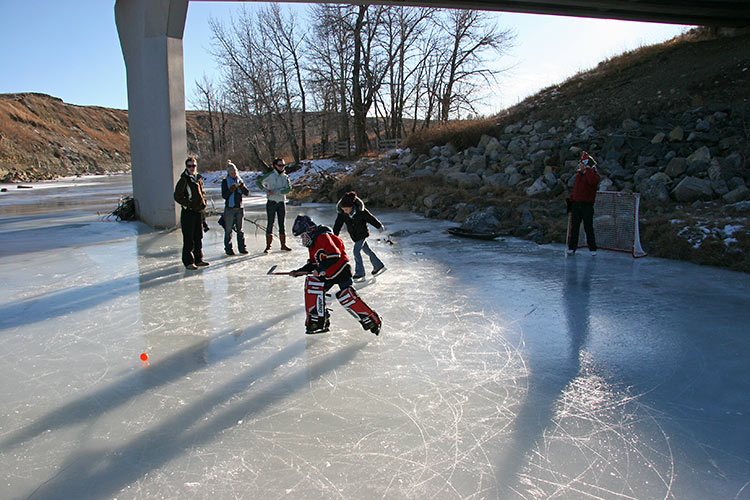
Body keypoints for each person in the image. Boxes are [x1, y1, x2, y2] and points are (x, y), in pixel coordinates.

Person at [290, 214, 381, 336]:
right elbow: (313, 263)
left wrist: (320, 268)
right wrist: (298, 272)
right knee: (315, 290)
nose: (302, 239)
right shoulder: (312, 244)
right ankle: (320, 322)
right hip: (328, 273)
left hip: (341, 270)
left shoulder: (323, 237)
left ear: (309, 230)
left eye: (303, 235)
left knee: (347, 296)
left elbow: (334, 255)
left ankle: (372, 320)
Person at [333, 191, 386, 279]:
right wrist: (334, 235)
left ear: (352, 206)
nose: (345, 211)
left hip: (362, 234)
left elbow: (370, 218)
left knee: (356, 252)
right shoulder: (343, 214)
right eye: (343, 210)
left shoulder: (361, 211)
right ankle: (378, 265)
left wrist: (379, 226)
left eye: (346, 209)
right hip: (354, 236)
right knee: (367, 251)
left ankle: (360, 273)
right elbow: (338, 224)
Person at [173, 156, 210, 269]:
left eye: (193, 166)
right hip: (188, 213)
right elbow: (177, 196)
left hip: (198, 212)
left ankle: (198, 259)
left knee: (198, 236)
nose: (192, 168)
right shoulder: (184, 180)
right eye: (189, 166)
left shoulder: (197, 179)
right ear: (186, 167)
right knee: (189, 238)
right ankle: (188, 261)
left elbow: (202, 194)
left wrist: (203, 204)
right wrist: (189, 204)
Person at [567, 151, 601, 256]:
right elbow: (575, 190)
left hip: (587, 205)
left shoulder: (593, 175)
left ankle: (592, 249)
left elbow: (592, 182)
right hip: (576, 204)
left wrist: (588, 171)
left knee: (588, 227)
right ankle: (572, 247)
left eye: (582, 164)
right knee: (575, 227)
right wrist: (570, 203)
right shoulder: (578, 176)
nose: (579, 165)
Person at [256, 157, 292, 253]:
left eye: (283, 165)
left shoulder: (285, 177)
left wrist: (277, 191)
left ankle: (283, 245)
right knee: (270, 223)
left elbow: (288, 189)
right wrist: (266, 190)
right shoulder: (270, 175)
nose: (282, 167)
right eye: (280, 165)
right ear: (275, 166)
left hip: (281, 202)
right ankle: (268, 246)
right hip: (271, 202)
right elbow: (258, 182)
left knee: (282, 224)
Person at [221, 161, 250, 255]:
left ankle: (242, 248)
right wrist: (231, 190)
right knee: (228, 230)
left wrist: (242, 188)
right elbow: (224, 196)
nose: (234, 174)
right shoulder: (225, 182)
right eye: (232, 173)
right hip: (229, 209)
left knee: (240, 230)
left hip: (239, 208)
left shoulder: (240, 180)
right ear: (228, 173)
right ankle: (228, 249)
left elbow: (247, 193)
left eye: (235, 172)